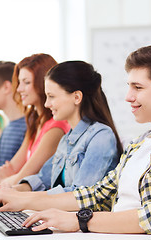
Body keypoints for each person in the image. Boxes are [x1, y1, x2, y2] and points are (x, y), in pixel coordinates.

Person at [0, 43, 151, 240]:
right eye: (129, 86)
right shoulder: (139, 145)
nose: (128, 97)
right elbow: (96, 194)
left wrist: (79, 221)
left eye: (138, 87)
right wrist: (19, 200)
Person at [11, 61, 123, 194]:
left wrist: (23, 200)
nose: (47, 104)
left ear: (76, 97)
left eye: (51, 96)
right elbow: (42, 180)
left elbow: (79, 194)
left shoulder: (101, 136)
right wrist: (12, 192)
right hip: (60, 213)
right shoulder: (66, 139)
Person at [0, 53, 70, 186]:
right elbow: (12, 170)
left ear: (44, 83)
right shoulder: (34, 124)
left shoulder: (56, 128)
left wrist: (5, 179)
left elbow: (23, 177)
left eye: (26, 82)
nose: (19, 89)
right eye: (19, 82)